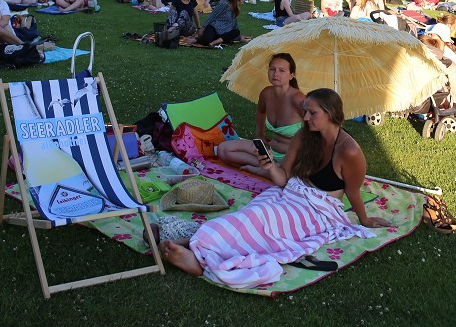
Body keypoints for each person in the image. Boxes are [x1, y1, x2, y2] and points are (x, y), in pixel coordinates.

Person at [160, 88, 391, 287]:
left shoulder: (348, 151)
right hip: (289, 193)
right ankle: (198, 243)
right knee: (249, 216)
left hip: (317, 211)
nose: (306, 117)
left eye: (312, 113)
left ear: (331, 115)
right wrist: (270, 166)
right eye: (305, 111)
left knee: (262, 222)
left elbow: (352, 191)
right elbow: (283, 179)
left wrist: (365, 219)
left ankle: (199, 257)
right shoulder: (305, 135)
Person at [218, 53, 307, 172]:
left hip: (291, 158)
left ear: (291, 75)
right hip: (269, 151)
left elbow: (316, 127)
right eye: (272, 69)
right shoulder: (267, 93)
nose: (276, 74)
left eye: (282, 71)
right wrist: (260, 135)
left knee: (292, 174)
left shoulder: (298, 99)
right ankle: (268, 168)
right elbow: (260, 112)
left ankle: (266, 169)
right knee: (223, 150)